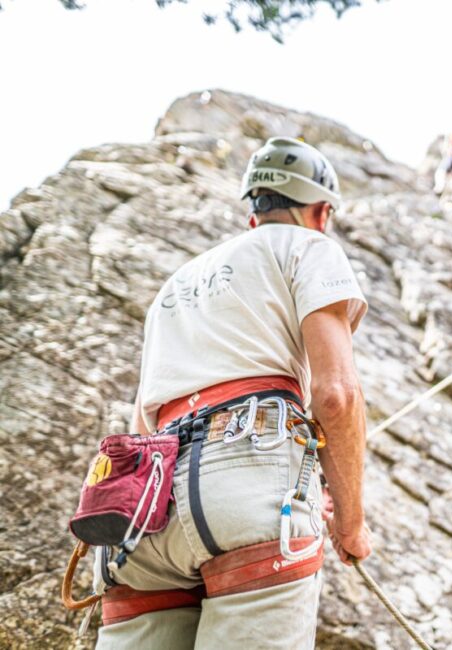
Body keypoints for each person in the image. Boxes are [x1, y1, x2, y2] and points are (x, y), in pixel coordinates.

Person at [94, 136, 371, 649]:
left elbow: (143, 423)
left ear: (253, 213)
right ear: (321, 212)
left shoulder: (172, 288)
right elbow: (336, 396)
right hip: (250, 483)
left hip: (146, 511)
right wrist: (350, 523)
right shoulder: (309, 247)